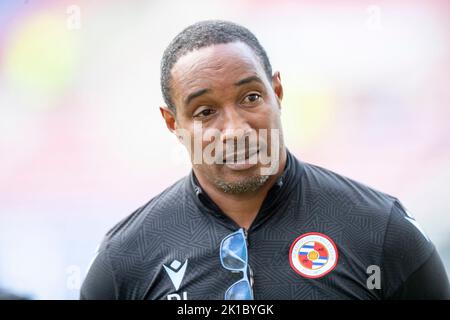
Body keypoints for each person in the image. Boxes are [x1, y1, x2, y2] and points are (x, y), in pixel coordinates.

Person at [80, 20, 450, 300]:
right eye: (206, 111)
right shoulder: (127, 260)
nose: (236, 129)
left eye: (251, 97)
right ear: (173, 123)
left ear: (277, 92)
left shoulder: (381, 231)